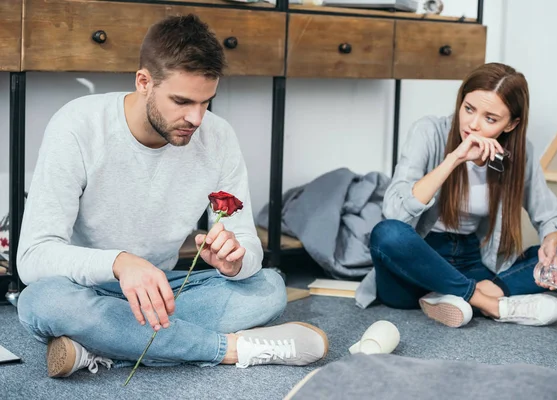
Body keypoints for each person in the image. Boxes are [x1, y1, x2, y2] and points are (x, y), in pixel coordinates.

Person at [16, 14, 328, 378]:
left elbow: (245, 241)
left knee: (269, 287)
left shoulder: (219, 137)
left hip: (165, 293)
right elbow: (33, 256)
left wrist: (235, 261)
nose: (196, 118)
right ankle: (230, 349)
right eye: (182, 101)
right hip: (86, 290)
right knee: (41, 301)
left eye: (206, 102)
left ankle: (99, 346)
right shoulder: (77, 126)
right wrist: (120, 262)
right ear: (144, 81)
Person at [355, 62, 557, 327]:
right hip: (416, 262)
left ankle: (459, 294)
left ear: (510, 124)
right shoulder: (428, 131)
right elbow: (394, 211)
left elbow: (549, 216)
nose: (472, 124)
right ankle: (487, 302)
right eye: (468, 109)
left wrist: (551, 242)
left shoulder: (519, 154)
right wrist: (454, 159)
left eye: (490, 118)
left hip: (472, 262)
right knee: (387, 234)